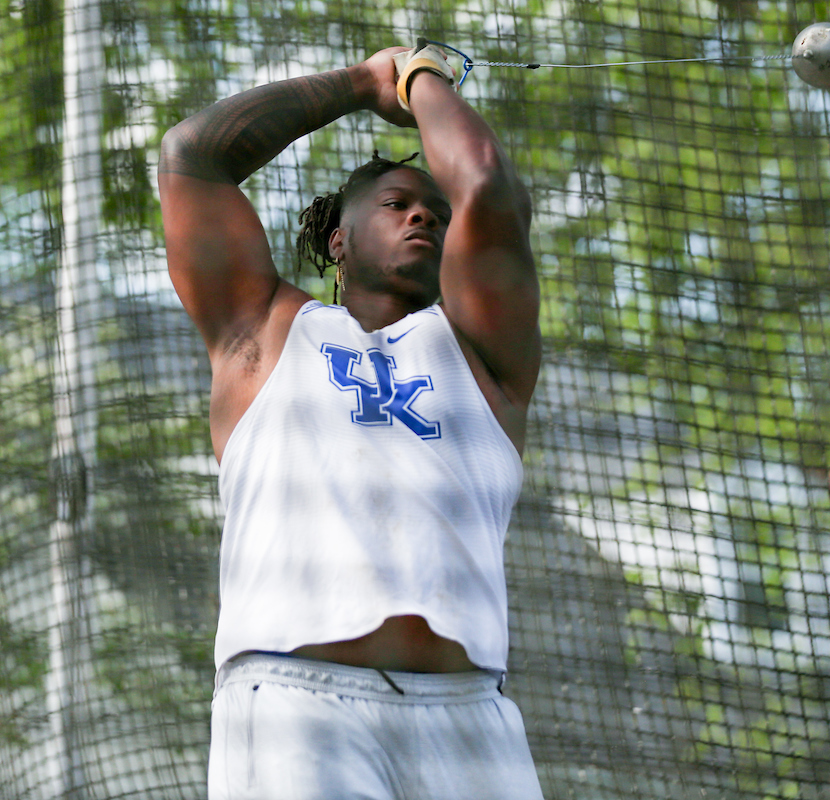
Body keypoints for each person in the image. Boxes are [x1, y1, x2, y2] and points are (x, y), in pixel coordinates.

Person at [158, 40, 544, 800]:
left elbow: (486, 184)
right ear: (339, 239)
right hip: (295, 704)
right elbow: (192, 155)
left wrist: (420, 74)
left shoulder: (485, 353)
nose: (423, 216)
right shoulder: (263, 330)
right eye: (397, 204)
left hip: (471, 718)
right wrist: (364, 81)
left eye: (436, 213)